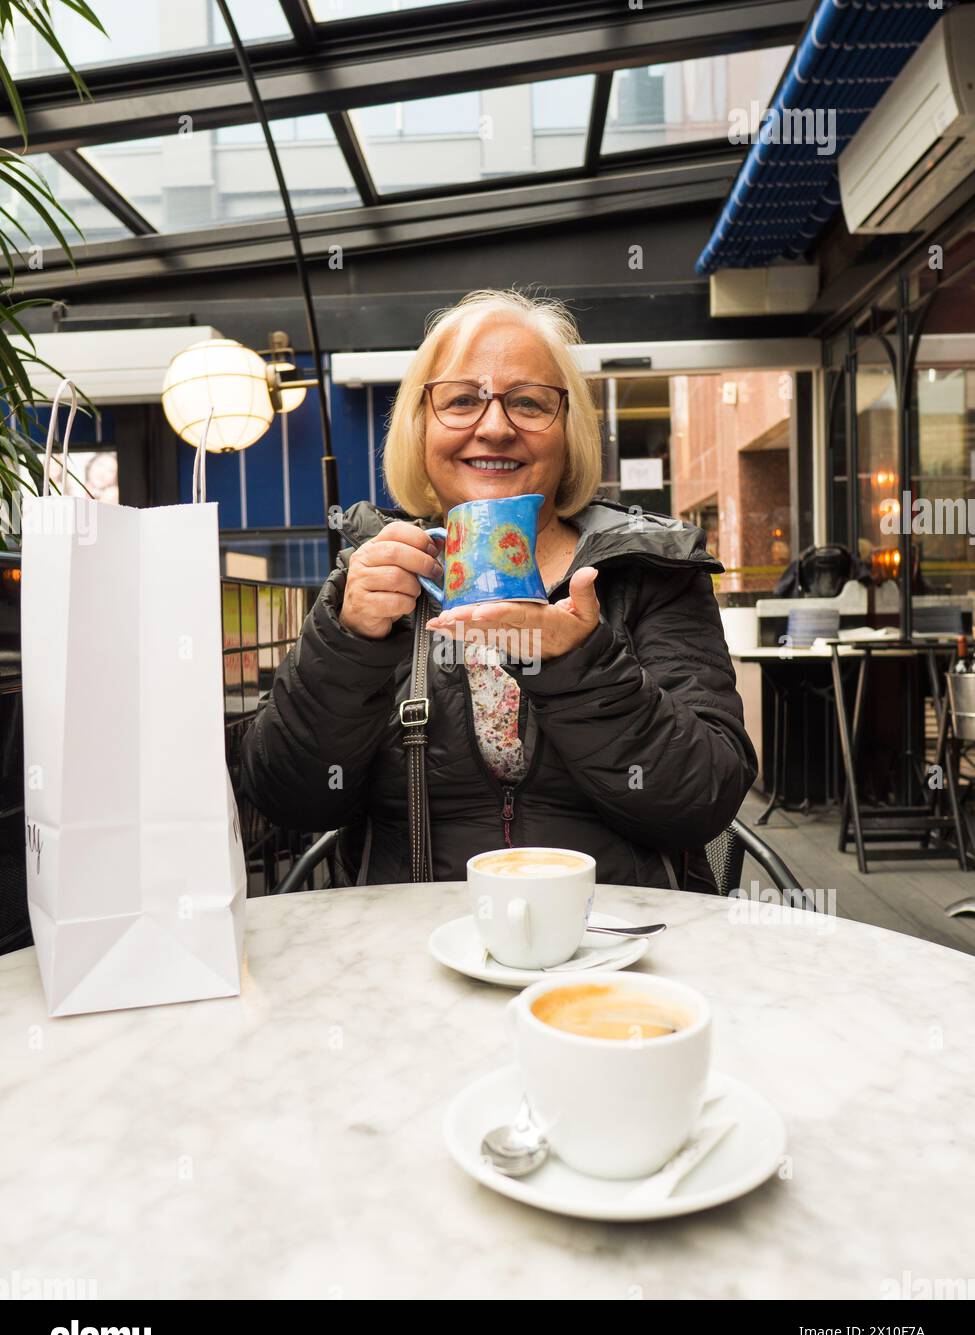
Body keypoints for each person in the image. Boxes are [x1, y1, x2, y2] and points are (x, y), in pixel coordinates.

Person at [240, 289, 757, 890]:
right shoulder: (368, 582)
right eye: (461, 400)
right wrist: (348, 641)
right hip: (412, 943)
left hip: (617, 940)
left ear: (568, 432)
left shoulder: (650, 572)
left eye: (529, 403)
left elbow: (704, 799)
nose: (494, 427)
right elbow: (291, 801)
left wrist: (576, 664)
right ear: (421, 429)